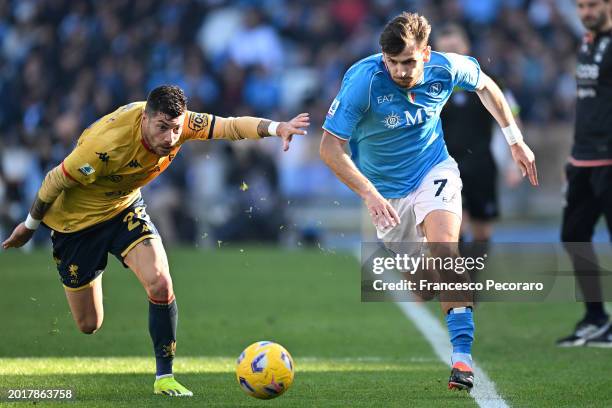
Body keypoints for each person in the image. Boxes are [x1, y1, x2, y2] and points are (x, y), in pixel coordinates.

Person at [2, 85, 310, 397]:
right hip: (75, 225)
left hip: (123, 209)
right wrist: (29, 226)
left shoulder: (183, 123)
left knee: (161, 282)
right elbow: (54, 179)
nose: (170, 138)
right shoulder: (105, 145)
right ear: (144, 119)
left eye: (176, 129)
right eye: (162, 128)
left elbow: (231, 126)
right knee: (88, 324)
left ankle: (165, 377)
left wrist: (276, 128)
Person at [319, 12, 537, 391]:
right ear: (383, 58)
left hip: (434, 171)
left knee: (445, 253)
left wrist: (514, 139)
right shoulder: (363, 82)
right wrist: (369, 194)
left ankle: (462, 359)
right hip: (386, 193)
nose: (401, 71)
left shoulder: (447, 67)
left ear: (427, 53)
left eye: (409, 61)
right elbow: (329, 148)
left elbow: (486, 86)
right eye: (393, 63)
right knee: (422, 284)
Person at [436, 24, 522, 246]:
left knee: (482, 231)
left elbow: (511, 118)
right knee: (455, 226)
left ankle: (472, 278)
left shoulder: (489, 81)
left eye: (455, 48)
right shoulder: (432, 85)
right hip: (445, 165)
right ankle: (457, 280)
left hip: (481, 163)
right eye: (446, 50)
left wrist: (513, 162)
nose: (452, 54)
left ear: (466, 47)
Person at [557, 0, 612, 347]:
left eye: (592, 5)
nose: (585, 12)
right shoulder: (587, 42)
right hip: (583, 159)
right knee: (573, 234)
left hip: (609, 160)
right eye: (580, 6)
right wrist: (573, 155)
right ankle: (596, 318)